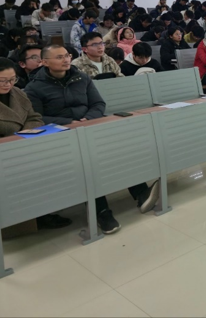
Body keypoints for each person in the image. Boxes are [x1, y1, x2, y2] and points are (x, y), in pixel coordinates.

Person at [25, 45, 159, 234]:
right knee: (87, 165)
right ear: (45, 62)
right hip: (60, 135)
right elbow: (37, 117)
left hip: (89, 126)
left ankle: (141, 193)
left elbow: (98, 103)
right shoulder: (34, 87)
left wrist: (88, 119)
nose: (65, 60)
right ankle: (102, 212)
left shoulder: (81, 78)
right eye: (59, 57)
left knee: (117, 152)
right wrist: (70, 122)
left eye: (67, 55)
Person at [0, 57, 73, 230]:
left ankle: (43, 212)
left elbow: (34, 117)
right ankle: (26, 220)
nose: (8, 84)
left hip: (25, 145)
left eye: (12, 79)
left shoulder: (17, 93)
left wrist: (25, 134)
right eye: (2, 80)